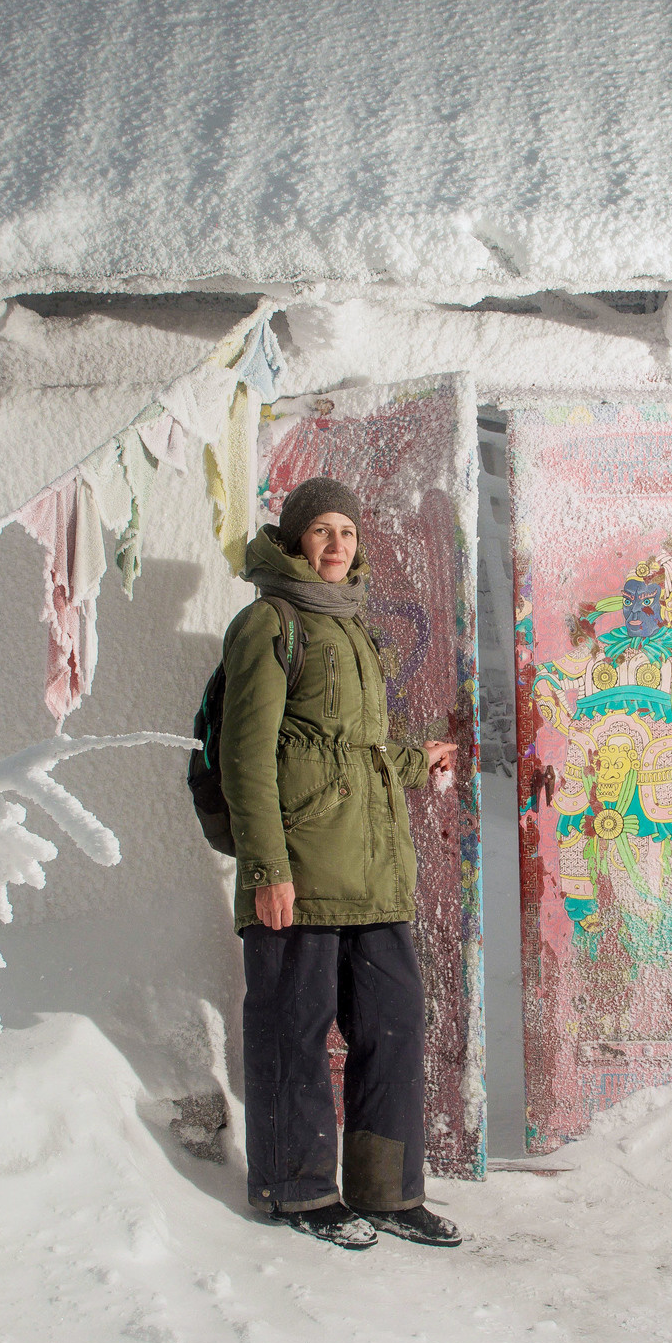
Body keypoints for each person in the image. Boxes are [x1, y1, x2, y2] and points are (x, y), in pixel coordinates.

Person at [218, 476, 462, 1250]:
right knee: (295, 1027)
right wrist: (266, 869)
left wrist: (414, 761)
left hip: (374, 871)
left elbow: (345, 751)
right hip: (302, 874)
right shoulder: (268, 622)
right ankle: (298, 1186)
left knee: (393, 1022)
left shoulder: (352, 625)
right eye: (321, 530)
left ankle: (385, 1190)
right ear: (294, 540)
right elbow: (246, 757)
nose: (336, 545)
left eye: (347, 533)